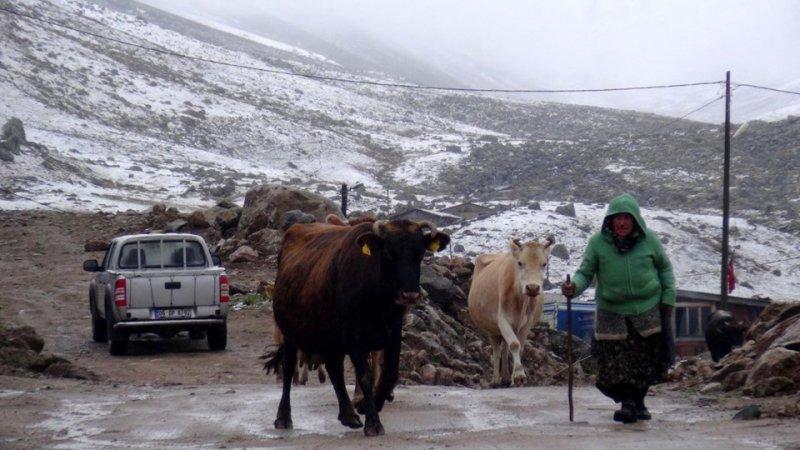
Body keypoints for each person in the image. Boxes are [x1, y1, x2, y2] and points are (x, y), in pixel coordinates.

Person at [562, 193, 675, 424]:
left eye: (626, 218)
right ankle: (628, 403)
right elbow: (585, 273)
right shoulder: (598, 243)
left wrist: (668, 297)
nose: (622, 223)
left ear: (635, 220)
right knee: (616, 363)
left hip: (647, 309)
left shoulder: (650, 240)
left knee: (644, 361)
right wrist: (574, 288)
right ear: (610, 220)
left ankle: (637, 402)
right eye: (617, 218)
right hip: (612, 312)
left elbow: (665, 269)